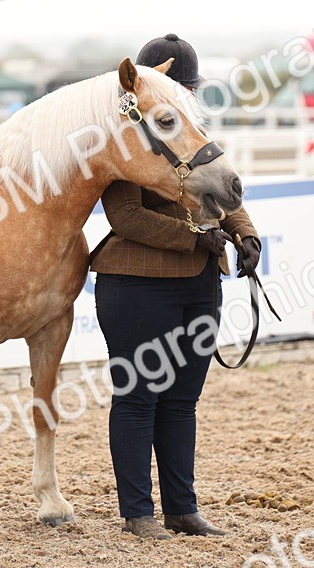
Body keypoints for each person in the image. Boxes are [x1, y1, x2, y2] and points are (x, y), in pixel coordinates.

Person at [90, 33, 262, 540]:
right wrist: (194, 237)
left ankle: (181, 509)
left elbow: (222, 192)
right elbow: (124, 216)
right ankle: (138, 513)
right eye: (180, 89)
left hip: (198, 283)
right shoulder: (126, 134)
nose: (186, 98)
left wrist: (244, 234)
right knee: (138, 397)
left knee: (183, 399)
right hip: (136, 283)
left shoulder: (188, 130)